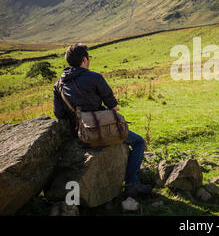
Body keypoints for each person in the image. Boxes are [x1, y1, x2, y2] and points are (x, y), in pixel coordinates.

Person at [53, 43, 152, 197]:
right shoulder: (95, 77)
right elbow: (113, 107)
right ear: (85, 60)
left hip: (80, 134)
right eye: (89, 58)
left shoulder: (58, 85)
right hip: (102, 129)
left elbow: (59, 114)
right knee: (139, 142)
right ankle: (132, 183)